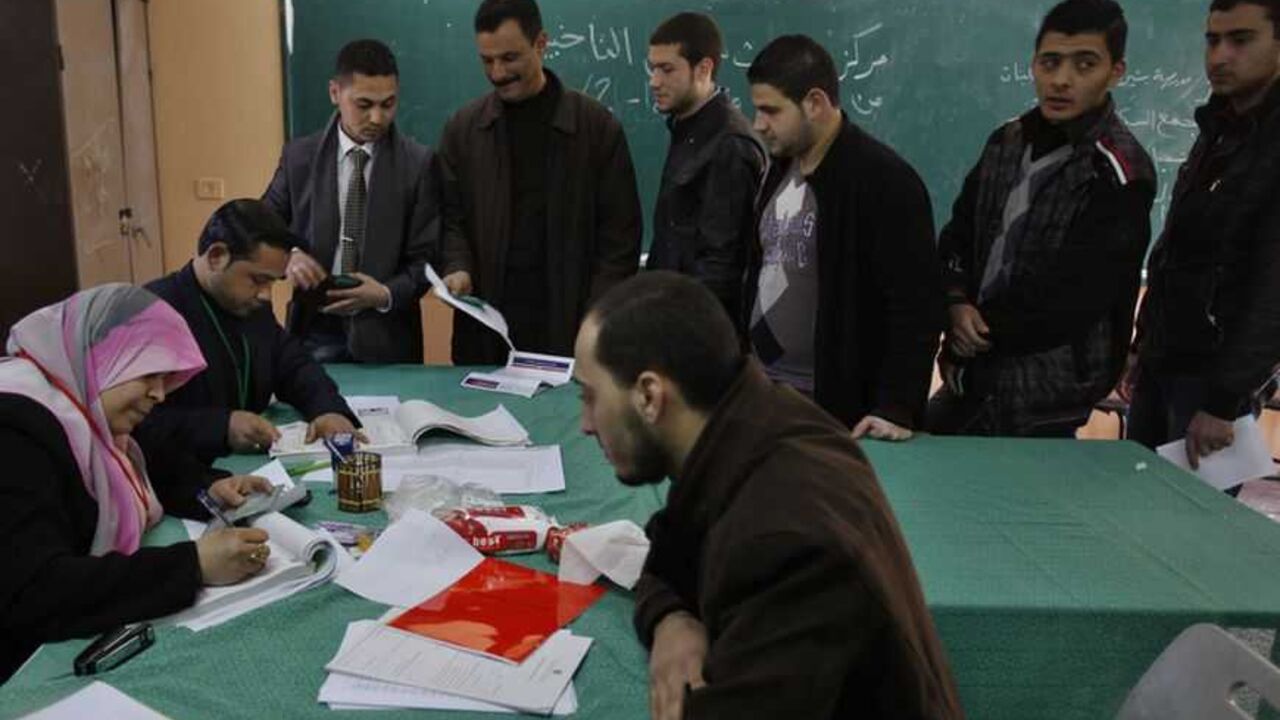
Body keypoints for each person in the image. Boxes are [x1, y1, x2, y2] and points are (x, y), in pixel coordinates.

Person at [572, 271, 963, 720]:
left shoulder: (783, 538)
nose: (585, 423)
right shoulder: (749, 424)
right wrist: (672, 618)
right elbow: (669, 552)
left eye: (590, 396)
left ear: (649, 395)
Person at [0, 285, 277, 682]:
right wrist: (192, 565)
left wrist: (210, 488)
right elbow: (38, 591)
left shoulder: (79, 399)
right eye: (149, 375)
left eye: (166, 379)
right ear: (103, 357)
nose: (160, 394)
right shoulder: (14, 429)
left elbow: (153, 465)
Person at [928, 0, 1156, 438]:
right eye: (1050, 62)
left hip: (1046, 392)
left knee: (1019, 504)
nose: (1061, 80)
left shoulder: (1120, 170)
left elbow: (1076, 295)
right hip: (972, 370)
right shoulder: (1005, 142)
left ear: (1116, 72)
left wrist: (979, 329)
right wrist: (955, 302)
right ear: (1033, 64)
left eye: (1084, 64)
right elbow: (958, 234)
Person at [744, 36, 942, 441]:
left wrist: (896, 406)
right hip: (762, 392)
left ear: (814, 103)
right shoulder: (778, 169)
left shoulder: (884, 181)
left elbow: (916, 304)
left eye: (770, 111)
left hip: (832, 412)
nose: (757, 124)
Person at [437, 0, 642, 364]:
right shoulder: (463, 130)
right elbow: (451, 219)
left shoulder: (596, 129)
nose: (498, 72)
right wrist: (457, 265)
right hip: (485, 333)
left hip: (570, 328)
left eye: (510, 58)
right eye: (487, 60)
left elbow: (619, 242)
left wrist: (595, 322)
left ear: (541, 43)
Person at [1125, 0, 1280, 471]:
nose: (1219, 56)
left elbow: (1273, 290)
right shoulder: (1219, 126)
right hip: (1165, 361)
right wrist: (1142, 342)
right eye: (1212, 40)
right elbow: (1178, 247)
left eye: (1241, 39)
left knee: (1184, 532)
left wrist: (1225, 400)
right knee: (1135, 505)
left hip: (1213, 384)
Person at [135, 200, 360, 464]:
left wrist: (327, 409)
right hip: (182, 475)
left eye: (272, 282)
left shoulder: (248, 303)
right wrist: (221, 426)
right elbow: (135, 423)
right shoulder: (152, 313)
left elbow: (293, 364)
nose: (266, 295)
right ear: (216, 256)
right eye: (257, 280)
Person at [263, 39, 439, 363]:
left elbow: (426, 260)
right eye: (364, 104)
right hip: (313, 330)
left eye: (388, 104)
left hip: (387, 336)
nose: (376, 117)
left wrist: (384, 294)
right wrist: (290, 254)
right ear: (335, 93)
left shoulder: (418, 165)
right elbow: (262, 226)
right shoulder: (298, 158)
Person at [644, 12, 766, 329]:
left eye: (667, 69)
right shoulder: (687, 126)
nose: (654, 81)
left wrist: (680, 333)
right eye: (653, 68)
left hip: (699, 336)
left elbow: (722, 269)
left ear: (704, 68)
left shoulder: (728, 146)